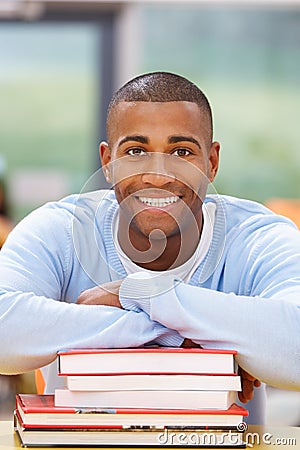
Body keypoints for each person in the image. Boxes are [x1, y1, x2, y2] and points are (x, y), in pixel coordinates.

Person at [0, 72, 299, 425]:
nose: (158, 176)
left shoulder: (256, 236)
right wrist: (182, 337)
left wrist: (142, 292)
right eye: (136, 151)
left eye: (181, 151)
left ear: (212, 163)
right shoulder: (61, 229)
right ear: (108, 162)